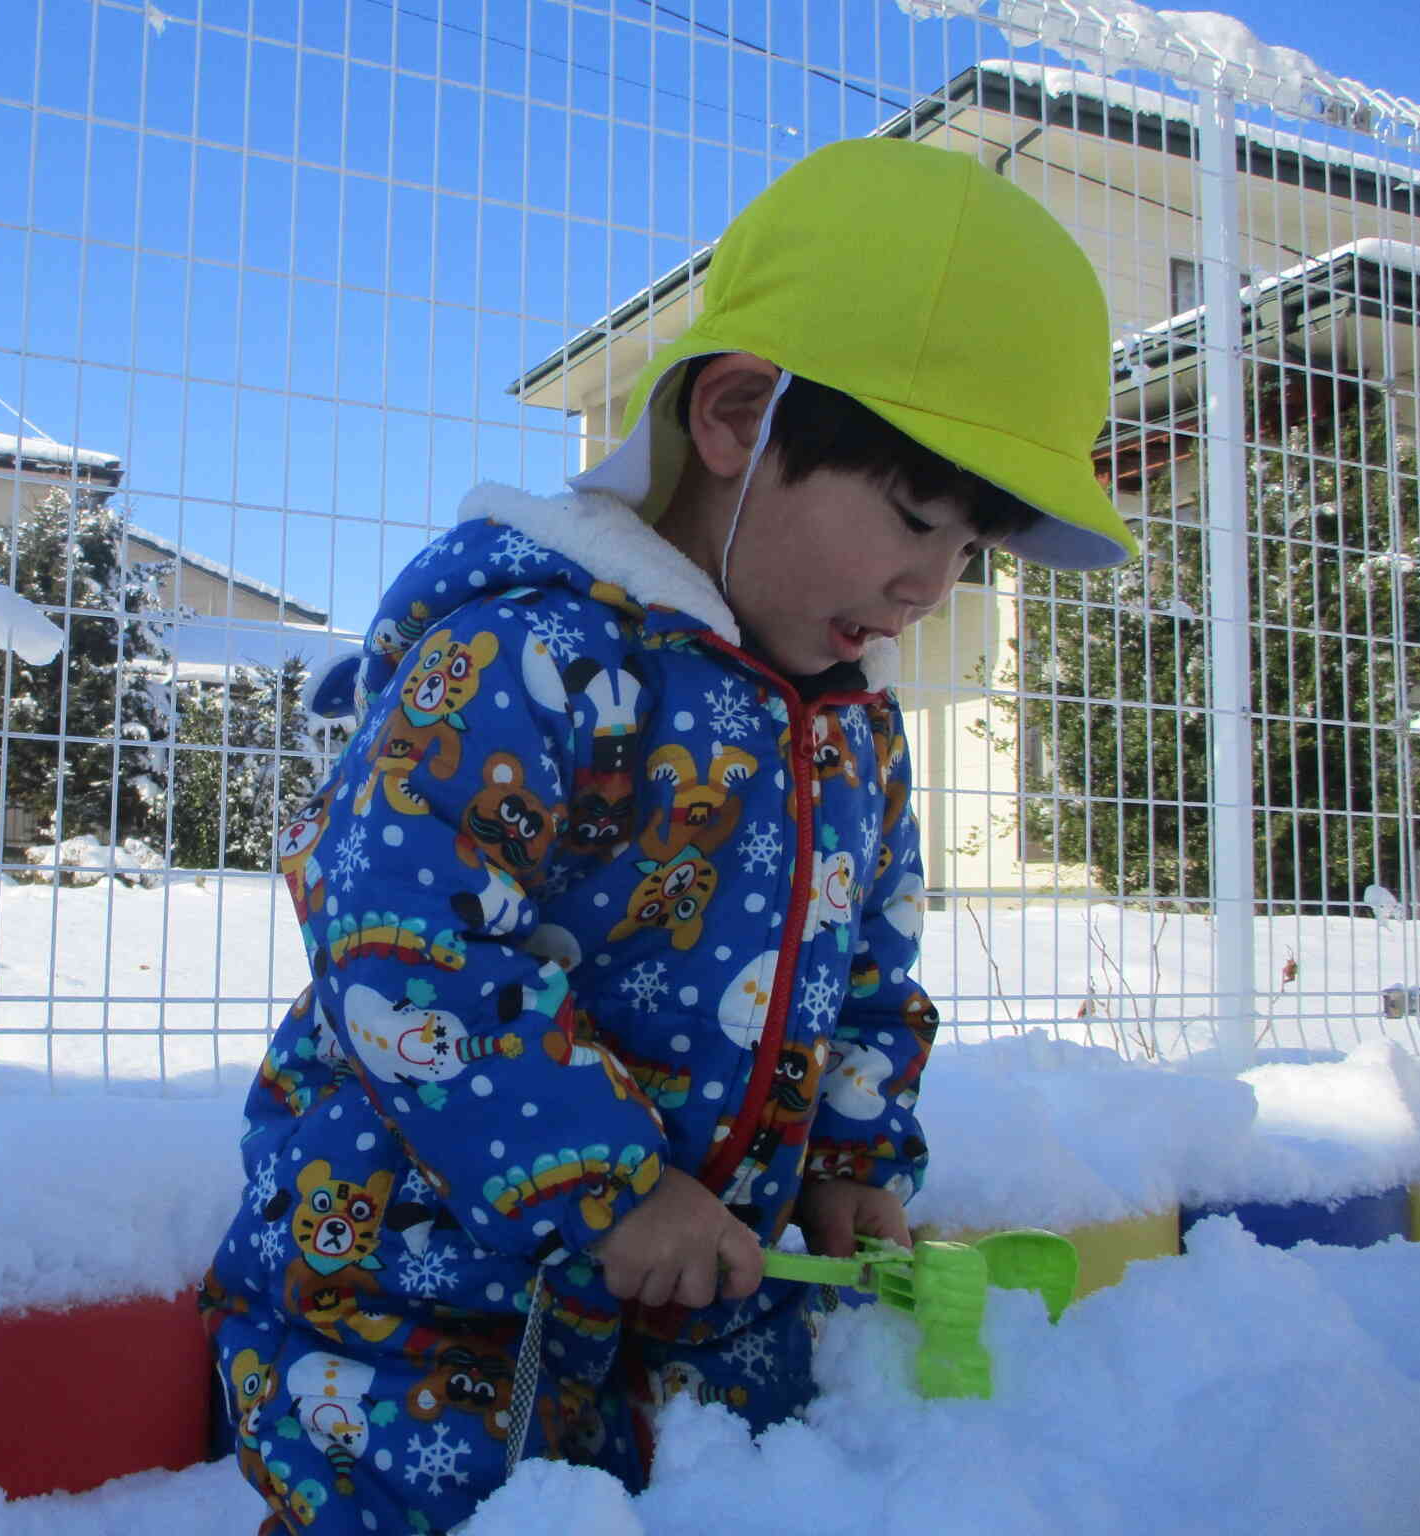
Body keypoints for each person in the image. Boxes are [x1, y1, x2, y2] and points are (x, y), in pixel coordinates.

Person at [199, 136, 1136, 1534]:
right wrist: (607, 1186)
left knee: (764, 1490)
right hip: (428, 1285)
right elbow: (401, 930)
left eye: (972, 551)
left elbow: (868, 969)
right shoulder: (538, 657)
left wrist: (853, 1164)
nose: (933, 583)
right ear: (737, 417)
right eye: (917, 516)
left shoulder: (849, 727)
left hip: (705, 1288)